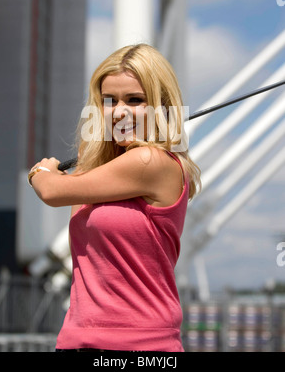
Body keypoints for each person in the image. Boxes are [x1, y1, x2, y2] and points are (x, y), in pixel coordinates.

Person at [28, 43, 201, 352]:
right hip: (76, 341)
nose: (119, 111)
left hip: (142, 348)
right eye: (110, 101)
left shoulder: (153, 162)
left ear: (161, 105)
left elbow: (52, 191)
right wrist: (92, 155)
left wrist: (41, 172)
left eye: (135, 100)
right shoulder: (99, 166)